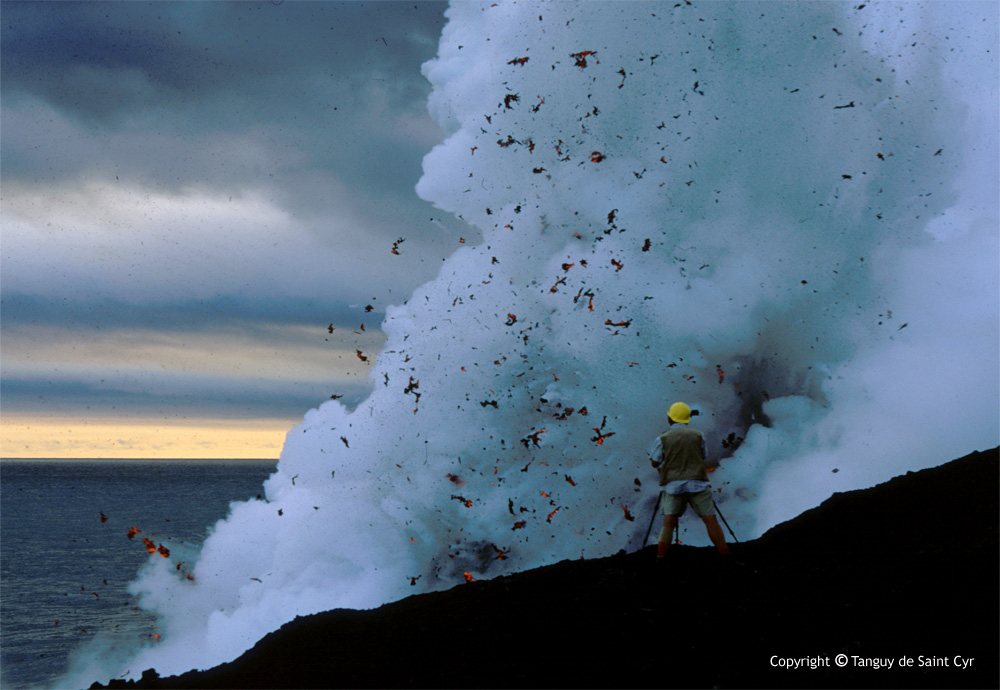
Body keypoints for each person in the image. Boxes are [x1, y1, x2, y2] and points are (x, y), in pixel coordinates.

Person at [649, 401, 730, 559]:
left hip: (673, 485)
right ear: (687, 419)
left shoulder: (662, 439)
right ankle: (725, 554)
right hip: (698, 482)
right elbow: (703, 455)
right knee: (710, 519)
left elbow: (655, 462)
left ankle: (661, 558)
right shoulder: (698, 435)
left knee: (669, 521)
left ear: (670, 419)